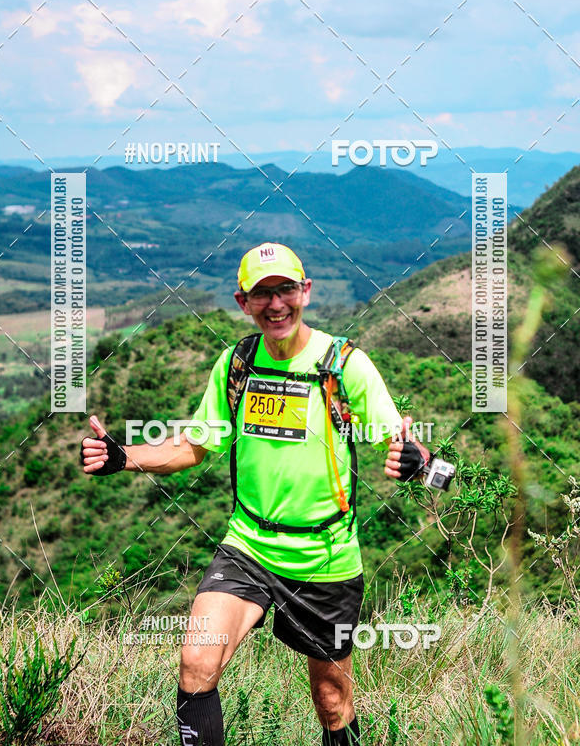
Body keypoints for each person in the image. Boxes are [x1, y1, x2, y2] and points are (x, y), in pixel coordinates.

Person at [80, 242, 431, 745]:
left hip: (324, 557)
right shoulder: (236, 364)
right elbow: (195, 446)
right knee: (197, 660)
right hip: (248, 545)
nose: (276, 304)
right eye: (261, 294)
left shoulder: (343, 365)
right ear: (243, 303)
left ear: (305, 291)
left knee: (332, 702)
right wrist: (125, 456)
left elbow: (400, 440)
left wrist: (417, 462)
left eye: (285, 289)